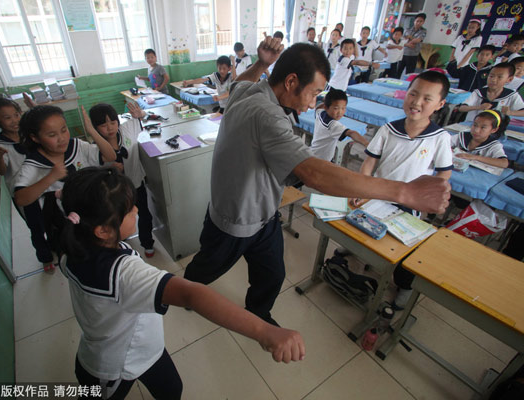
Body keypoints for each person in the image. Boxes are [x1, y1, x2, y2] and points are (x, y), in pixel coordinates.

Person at [183, 38, 451, 325]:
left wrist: (261, 63)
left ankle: (258, 313)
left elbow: (237, 84)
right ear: (290, 82)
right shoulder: (268, 116)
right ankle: (184, 292)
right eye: (314, 93)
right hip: (236, 219)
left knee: (272, 274)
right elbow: (316, 174)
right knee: (207, 267)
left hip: (264, 214)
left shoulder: (250, 89)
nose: (313, 105)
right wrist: (405, 191)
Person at [60, 167, 305, 399]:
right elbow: (192, 295)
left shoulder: (73, 248)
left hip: (145, 349)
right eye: (128, 210)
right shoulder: (122, 274)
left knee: (172, 390)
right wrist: (264, 331)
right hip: (112, 366)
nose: (136, 210)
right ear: (102, 230)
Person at [352, 71, 453, 310]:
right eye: (413, 94)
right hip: (378, 193)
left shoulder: (440, 138)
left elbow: (443, 175)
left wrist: (429, 203)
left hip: (411, 204)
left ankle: (404, 286)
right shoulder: (388, 129)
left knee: (405, 251)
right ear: (405, 95)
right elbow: (369, 162)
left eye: (427, 98)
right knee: (360, 226)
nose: (417, 102)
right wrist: (362, 187)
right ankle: (354, 249)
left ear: (440, 104)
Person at [13, 105, 116, 273]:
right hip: (66, 226)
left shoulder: (77, 146)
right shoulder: (33, 164)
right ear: (35, 138)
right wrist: (51, 177)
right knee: (80, 260)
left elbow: (110, 156)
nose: (62, 138)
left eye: (64, 130)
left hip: (93, 215)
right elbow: (21, 199)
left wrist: (91, 131)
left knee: (102, 253)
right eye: (52, 135)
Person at [89, 101, 156, 258]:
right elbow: (92, 171)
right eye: (104, 125)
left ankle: (147, 242)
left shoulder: (127, 129)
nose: (110, 128)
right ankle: (121, 241)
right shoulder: (95, 147)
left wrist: (142, 114)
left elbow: (147, 120)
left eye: (113, 122)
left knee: (144, 214)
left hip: (136, 183)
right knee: (118, 219)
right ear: (95, 127)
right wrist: (108, 168)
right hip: (114, 192)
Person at [311, 89, 370, 162]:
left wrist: (327, 101)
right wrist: (367, 144)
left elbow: (319, 105)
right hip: (321, 160)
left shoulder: (320, 112)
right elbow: (351, 133)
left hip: (313, 153)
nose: (340, 112)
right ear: (326, 107)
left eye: (343, 108)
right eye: (336, 108)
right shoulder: (333, 125)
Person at [458, 62, 524, 121]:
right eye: (491, 76)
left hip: (496, 130)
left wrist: (510, 112)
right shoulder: (478, 92)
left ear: (509, 79)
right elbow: (461, 108)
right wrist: (479, 107)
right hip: (472, 126)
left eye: (499, 77)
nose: (493, 80)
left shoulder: (512, 95)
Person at [0, 94, 26, 193]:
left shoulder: (28, 134)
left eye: (16, 115)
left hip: (42, 184)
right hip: (21, 190)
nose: (14, 121)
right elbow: (2, 171)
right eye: (7, 118)